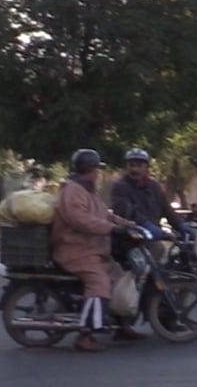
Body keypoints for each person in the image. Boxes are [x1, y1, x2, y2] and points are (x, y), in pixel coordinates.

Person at [52, 149, 138, 352]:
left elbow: (104, 214)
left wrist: (128, 225)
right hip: (75, 251)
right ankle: (85, 335)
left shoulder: (88, 190)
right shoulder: (72, 191)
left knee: (121, 281)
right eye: (97, 169)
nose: (98, 173)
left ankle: (121, 327)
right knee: (99, 283)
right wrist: (112, 229)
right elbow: (80, 220)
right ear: (90, 169)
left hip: (93, 250)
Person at [110, 148, 188, 241]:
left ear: (146, 167)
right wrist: (144, 224)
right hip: (129, 239)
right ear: (126, 167)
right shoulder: (121, 186)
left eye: (139, 166)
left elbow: (166, 209)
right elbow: (124, 210)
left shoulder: (154, 187)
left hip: (152, 237)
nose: (135, 169)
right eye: (131, 165)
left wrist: (180, 225)